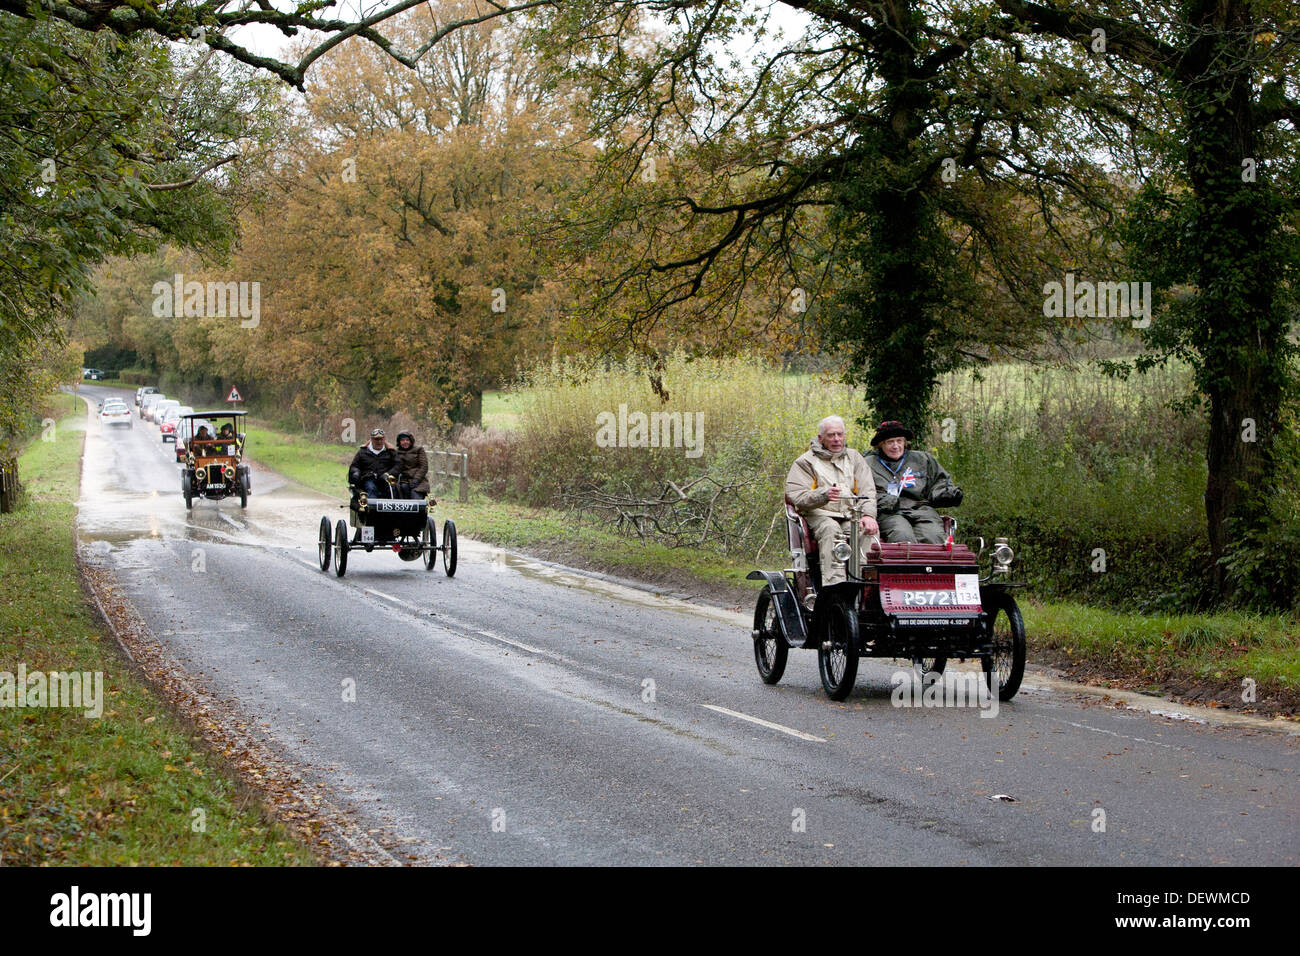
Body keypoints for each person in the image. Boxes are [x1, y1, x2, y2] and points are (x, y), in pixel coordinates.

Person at [785, 416, 880, 588]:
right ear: (820, 438)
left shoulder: (855, 458)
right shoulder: (805, 462)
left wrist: (868, 515)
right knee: (831, 530)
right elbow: (796, 496)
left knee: (867, 531)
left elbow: (868, 492)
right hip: (819, 514)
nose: (836, 439)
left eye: (840, 434)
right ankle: (835, 591)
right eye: (831, 435)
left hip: (851, 514)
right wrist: (823, 494)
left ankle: (866, 589)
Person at [865, 420, 963, 544]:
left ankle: (930, 564)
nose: (895, 446)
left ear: (905, 442)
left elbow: (940, 483)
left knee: (934, 536)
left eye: (899, 441)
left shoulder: (922, 459)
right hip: (889, 512)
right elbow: (864, 492)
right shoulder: (868, 463)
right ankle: (905, 563)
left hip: (921, 509)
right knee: (902, 536)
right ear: (880, 444)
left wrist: (948, 494)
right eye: (890, 442)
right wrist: (888, 501)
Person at [348, 428, 401, 499]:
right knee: (371, 488)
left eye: (381, 439)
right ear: (371, 439)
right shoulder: (363, 452)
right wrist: (356, 473)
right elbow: (354, 466)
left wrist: (388, 474)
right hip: (368, 478)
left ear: (384, 439)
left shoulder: (391, 452)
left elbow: (398, 465)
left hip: (386, 478)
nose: (379, 442)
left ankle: (391, 509)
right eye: (376, 439)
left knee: (392, 489)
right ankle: (373, 509)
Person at [394, 432, 430, 499]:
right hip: (403, 480)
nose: (405, 442)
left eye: (407, 440)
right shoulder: (396, 452)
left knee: (416, 497)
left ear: (411, 441)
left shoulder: (419, 449)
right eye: (402, 440)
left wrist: (416, 479)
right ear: (399, 442)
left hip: (418, 480)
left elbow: (424, 466)